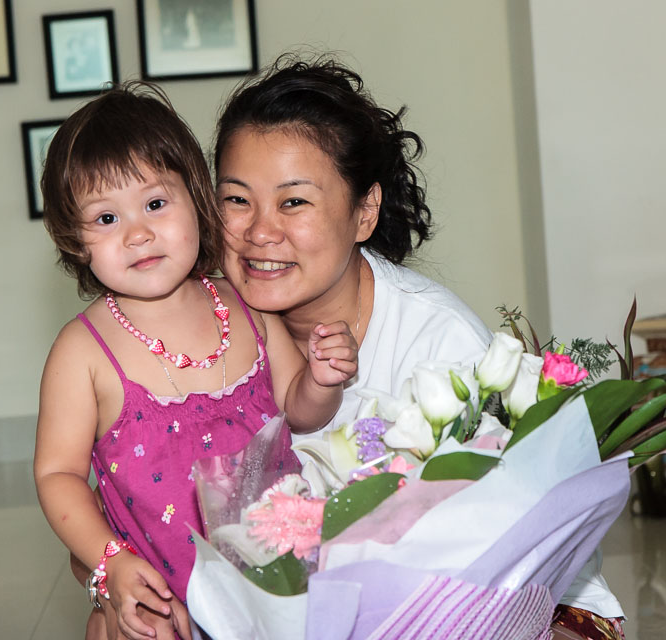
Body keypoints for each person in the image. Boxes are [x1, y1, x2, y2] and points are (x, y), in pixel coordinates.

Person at [212, 54, 626, 640]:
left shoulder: (441, 348)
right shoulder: (197, 336)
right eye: (236, 200)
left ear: (364, 212)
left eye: (294, 201)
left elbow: (517, 560)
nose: (259, 231)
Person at [32, 81, 358, 640]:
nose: (138, 234)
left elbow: (298, 409)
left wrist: (323, 380)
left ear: (197, 199)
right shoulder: (82, 351)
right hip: (161, 610)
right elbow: (57, 474)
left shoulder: (247, 307)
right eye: (106, 219)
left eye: (155, 204)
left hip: (275, 592)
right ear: (75, 239)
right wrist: (110, 562)